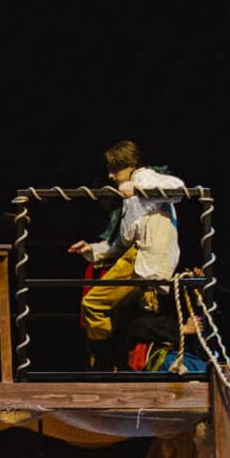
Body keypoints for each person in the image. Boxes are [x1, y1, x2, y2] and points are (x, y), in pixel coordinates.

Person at [68, 141, 186, 364]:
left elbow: (178, 188)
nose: (111, 175)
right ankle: (110, 362)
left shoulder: (143, 177)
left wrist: (139, 188)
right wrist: (92, 249)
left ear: (130, 166)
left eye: (115, 169)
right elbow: (121, 243)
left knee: (93, 304)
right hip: (134, 254)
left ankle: (104, 364)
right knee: (115, 314)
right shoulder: (128, 196)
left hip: (143, 256)